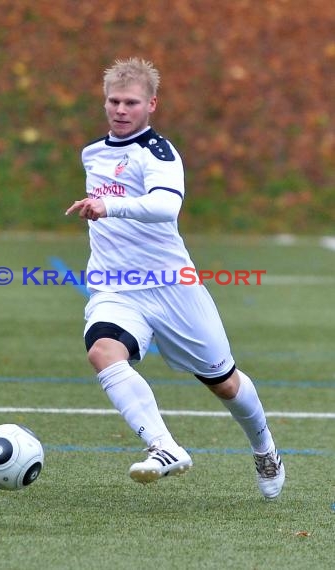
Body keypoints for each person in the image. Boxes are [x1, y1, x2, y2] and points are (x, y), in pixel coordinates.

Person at [65, 57, 285, 499]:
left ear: (152, 104)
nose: (121, 109)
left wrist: (111, 206)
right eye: (114, 100)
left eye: (131, 102)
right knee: (103, 351)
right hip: (115, 285)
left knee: (224, 381)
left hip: (172, 285)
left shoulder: (159, 153)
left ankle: (264, 447)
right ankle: (164, 446)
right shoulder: (93, 153)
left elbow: (167, 206)